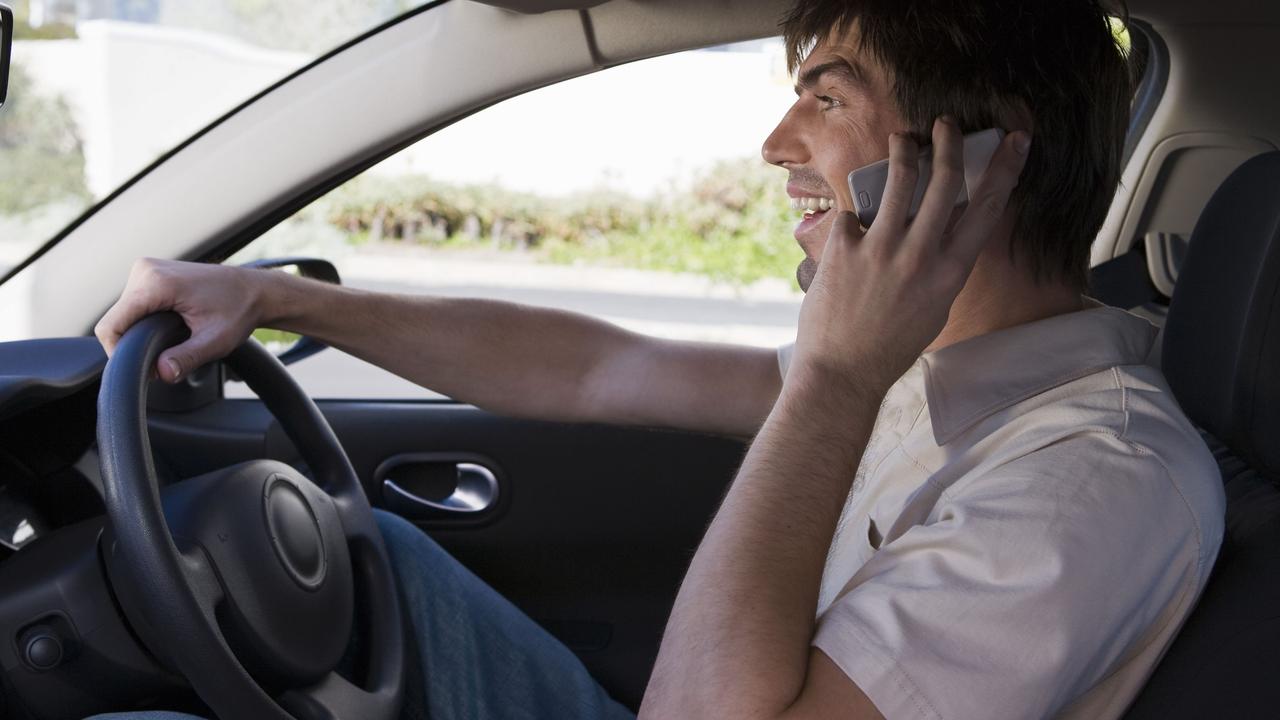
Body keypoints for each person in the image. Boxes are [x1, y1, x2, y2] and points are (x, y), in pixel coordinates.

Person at [91, 1, 1225, 718]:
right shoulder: (928, 373)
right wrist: (280, 301)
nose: (776, 147)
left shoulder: (1083, 485)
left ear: (977, 160)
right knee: (368, 556)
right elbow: (595, 368)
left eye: (824, 100)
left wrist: (829, 383)